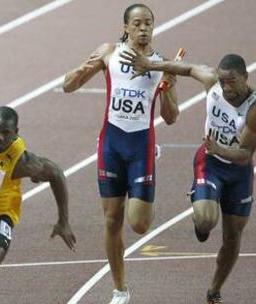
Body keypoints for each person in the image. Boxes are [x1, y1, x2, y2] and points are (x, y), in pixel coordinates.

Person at [120, 51, 256, 303]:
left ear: (246, 77)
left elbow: (245, 154)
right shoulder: (212, 80)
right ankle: (199, 215)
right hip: (209, 163)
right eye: (223, 81)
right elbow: (187, 68)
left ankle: (214, 290)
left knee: (232, 238)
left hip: (238, 171)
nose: (226, 87)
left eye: (232, 81)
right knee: (206, 221)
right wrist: (150, 64)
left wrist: (220, 148)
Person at [62, 4, 179, 303]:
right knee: (112, 220)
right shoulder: (109, 52)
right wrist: (86, 66)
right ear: (126, 27)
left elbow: (171, 117)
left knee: (139, 225)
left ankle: (152, 163)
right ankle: (120, 290)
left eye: (148, 23)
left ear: (154, 27)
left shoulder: (161, 64)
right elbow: (68, 86)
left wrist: (167, 86)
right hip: (111, 144)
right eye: (137, 23)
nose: (143, 28)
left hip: (141, 145)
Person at [0, 105, 76, 304]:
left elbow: (56, 174)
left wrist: (63, 221)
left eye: (6, 133)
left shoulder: (21, 161)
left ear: (15, 133)